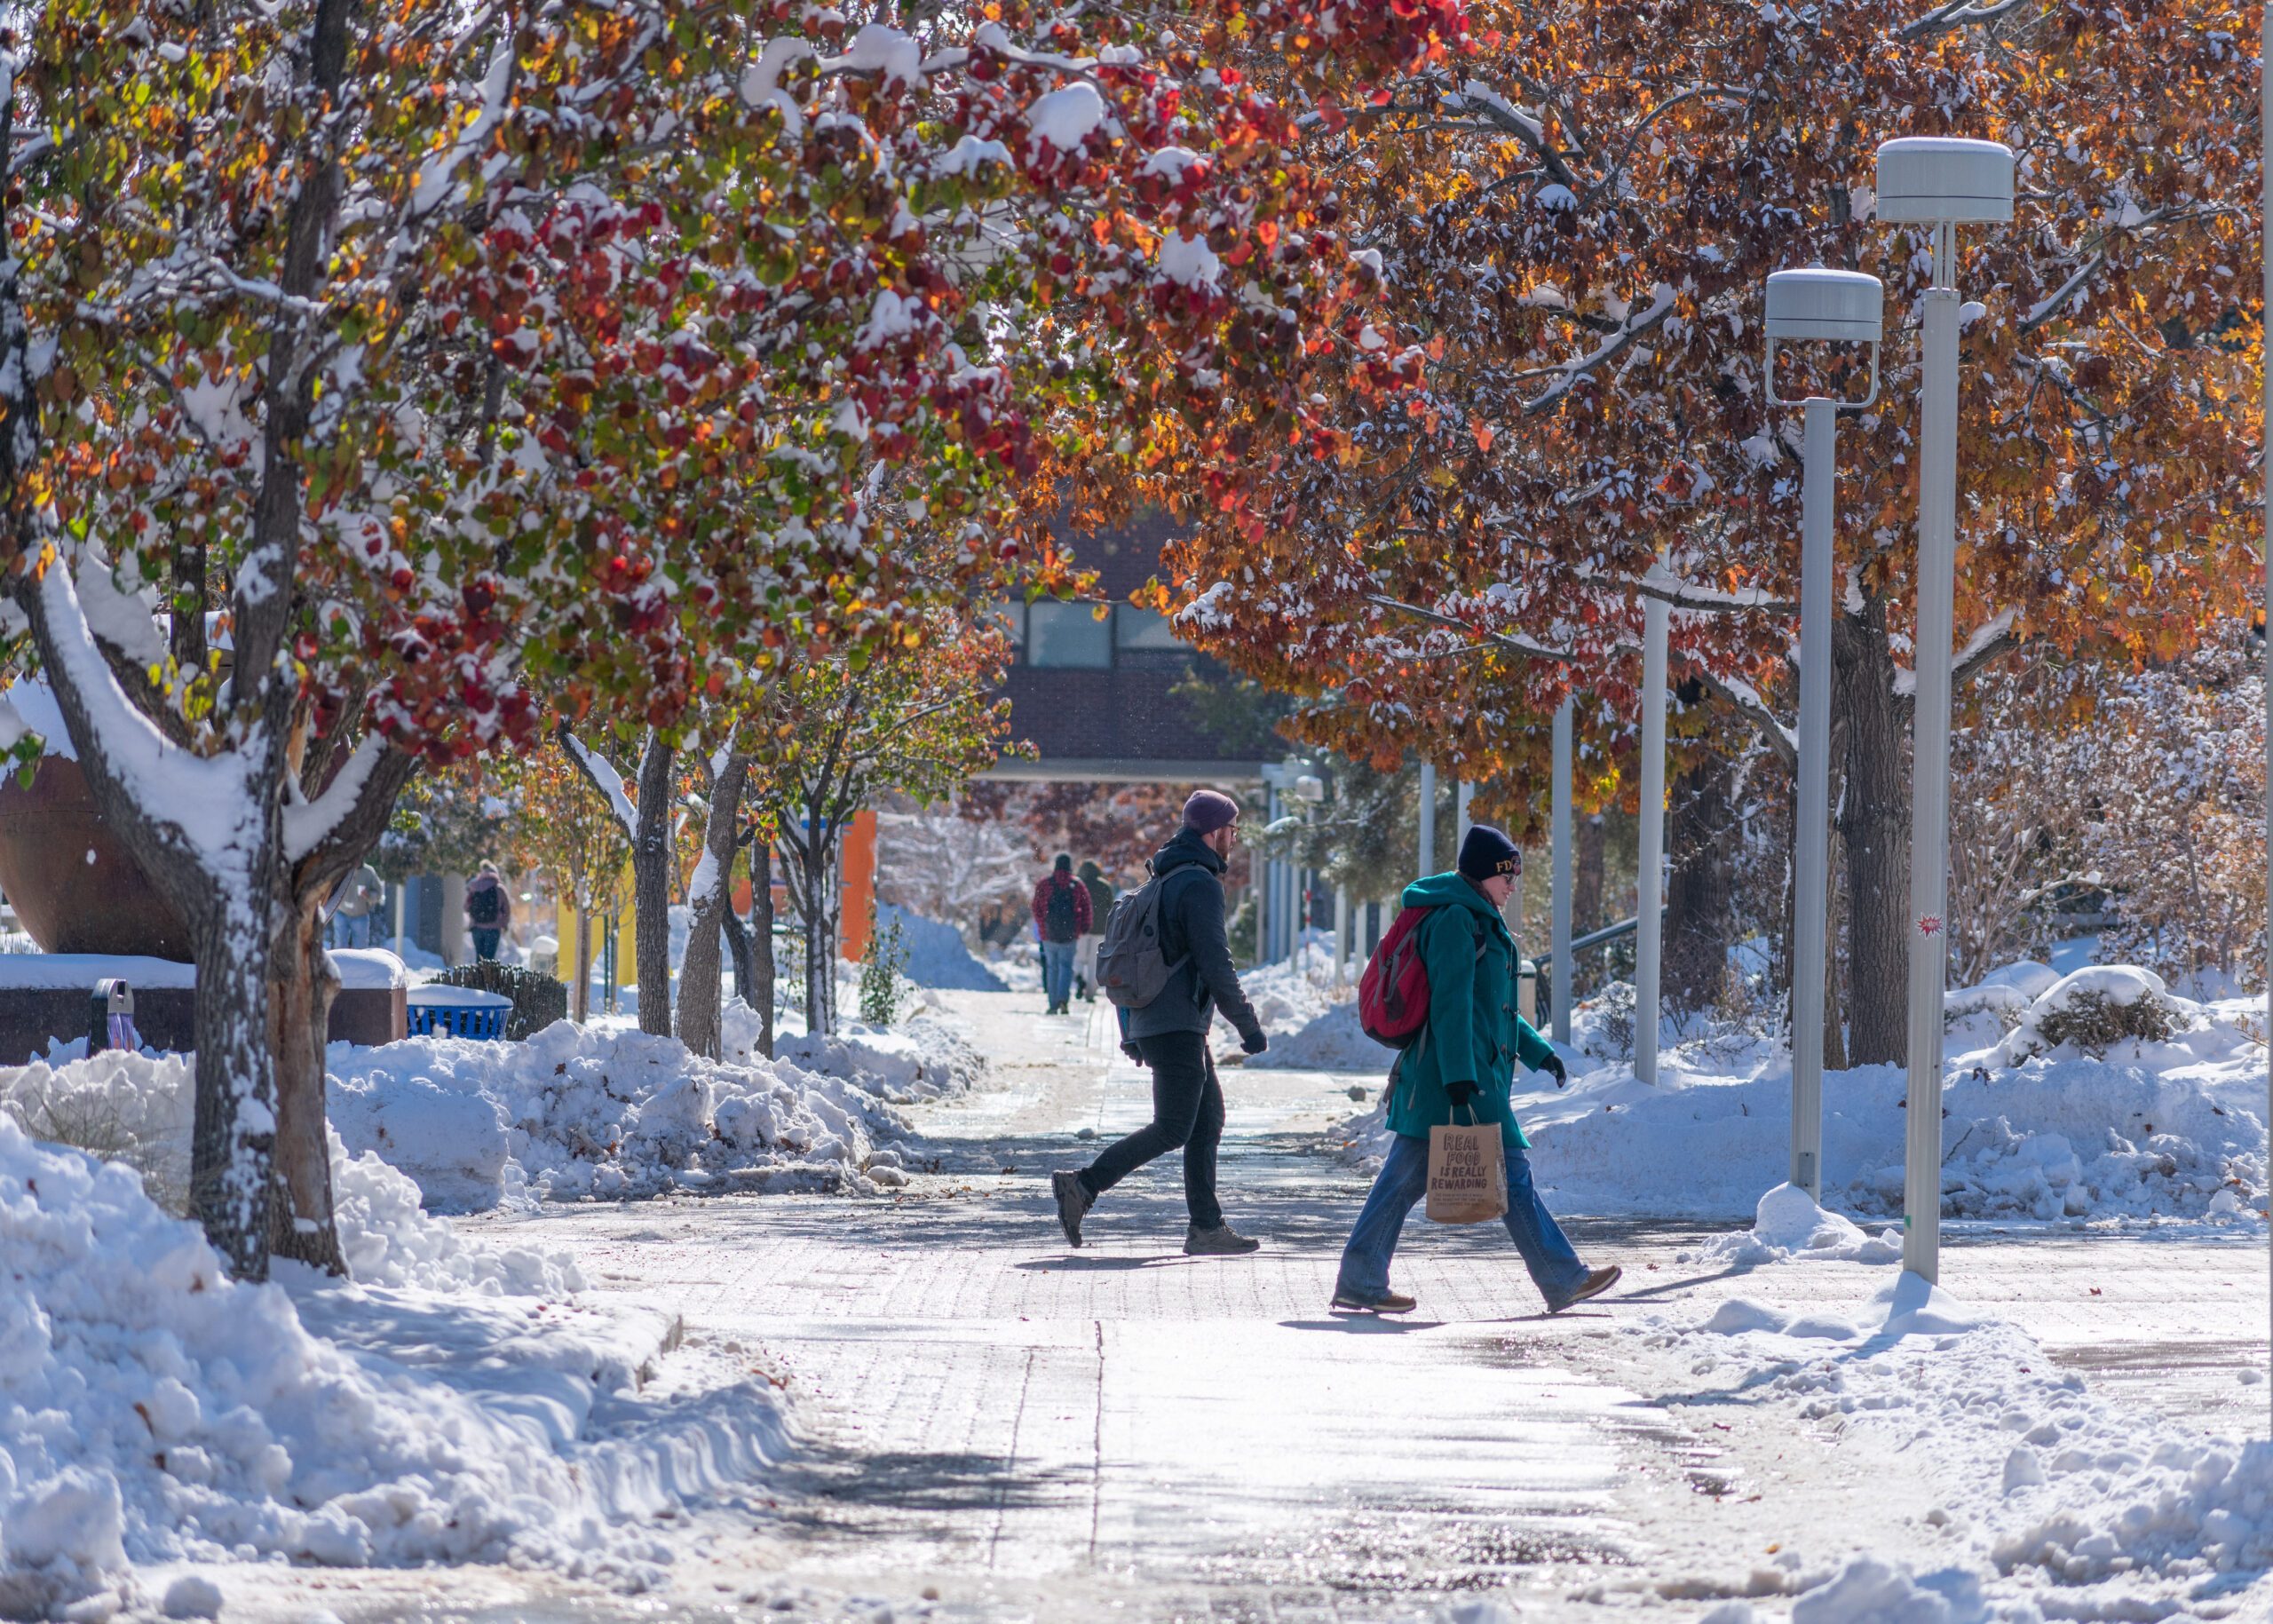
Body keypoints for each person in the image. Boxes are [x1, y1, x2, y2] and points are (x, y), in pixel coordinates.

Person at [1331, 825, 1621, 1316]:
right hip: (1451, 1080)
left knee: (1406, 1183)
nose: (1511, 885)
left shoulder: (1480, 919)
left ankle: (1360, 1278)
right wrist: (1460, 1079)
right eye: (1505, 875)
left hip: (1462, 1078)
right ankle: (1562, 1278)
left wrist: (1538, 1052)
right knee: (1506, 1177)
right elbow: (1451, 1006)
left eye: (1515, 875)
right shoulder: (1453, 920)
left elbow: (1494, 1010)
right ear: (1482, 873)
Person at [1052, 790, 1268, 1256]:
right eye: (1232, 830)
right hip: (1177, 1023)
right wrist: (1248, 1026)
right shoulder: (1199, 884)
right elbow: (1216, 962)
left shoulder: (1163, 879)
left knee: (1207, 1120)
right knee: (1173, 1127)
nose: (1234, 838)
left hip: (1161, 1018)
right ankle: (1084, 1185)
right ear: (1213, 832)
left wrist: (1132, 1026)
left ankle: (1206, 1227)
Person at [1031, 853, 1091, 1015]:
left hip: (1049, 935)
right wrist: (1083, 927)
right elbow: (1087, 908)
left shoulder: (1045, 884)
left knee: (1052, 968)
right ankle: (1063, 999)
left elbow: (1036, 908)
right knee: (1066, 967)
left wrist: (1043, 925)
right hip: (1070, 934)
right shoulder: (1077, 885)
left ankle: (1053, 1003)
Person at [1073, 859, 1114, 1002]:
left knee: (1078, 958)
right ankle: (1090, 993)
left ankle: (1079, 977)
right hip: (1100, 928)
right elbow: (1111, 908)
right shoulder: (1105, 886)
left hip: (1081, 928)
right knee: (1094, 962)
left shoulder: (1078, 885)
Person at [465, 861, 512, 962]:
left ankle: (478, 976)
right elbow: (507, 910)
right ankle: (488, 976)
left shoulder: (475, 886)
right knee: (490, 959)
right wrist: (504, 924)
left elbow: (466, 906)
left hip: (477, 928)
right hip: (494, 929)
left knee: (479, 956)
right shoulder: (499, 889)